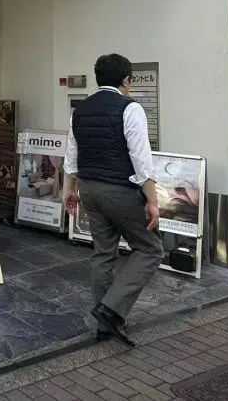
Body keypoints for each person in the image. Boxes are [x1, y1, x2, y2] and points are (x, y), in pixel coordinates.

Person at [63, 53, 163, 347]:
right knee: (150, 249)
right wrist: (153, 201)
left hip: (90, 190)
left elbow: (72, 154)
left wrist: (69, 189)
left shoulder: (80, 110)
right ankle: (111, 308)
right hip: (119, 190)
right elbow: (141, 160)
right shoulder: (129, 108)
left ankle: (105, 325)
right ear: (126, 80)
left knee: (103, 253)